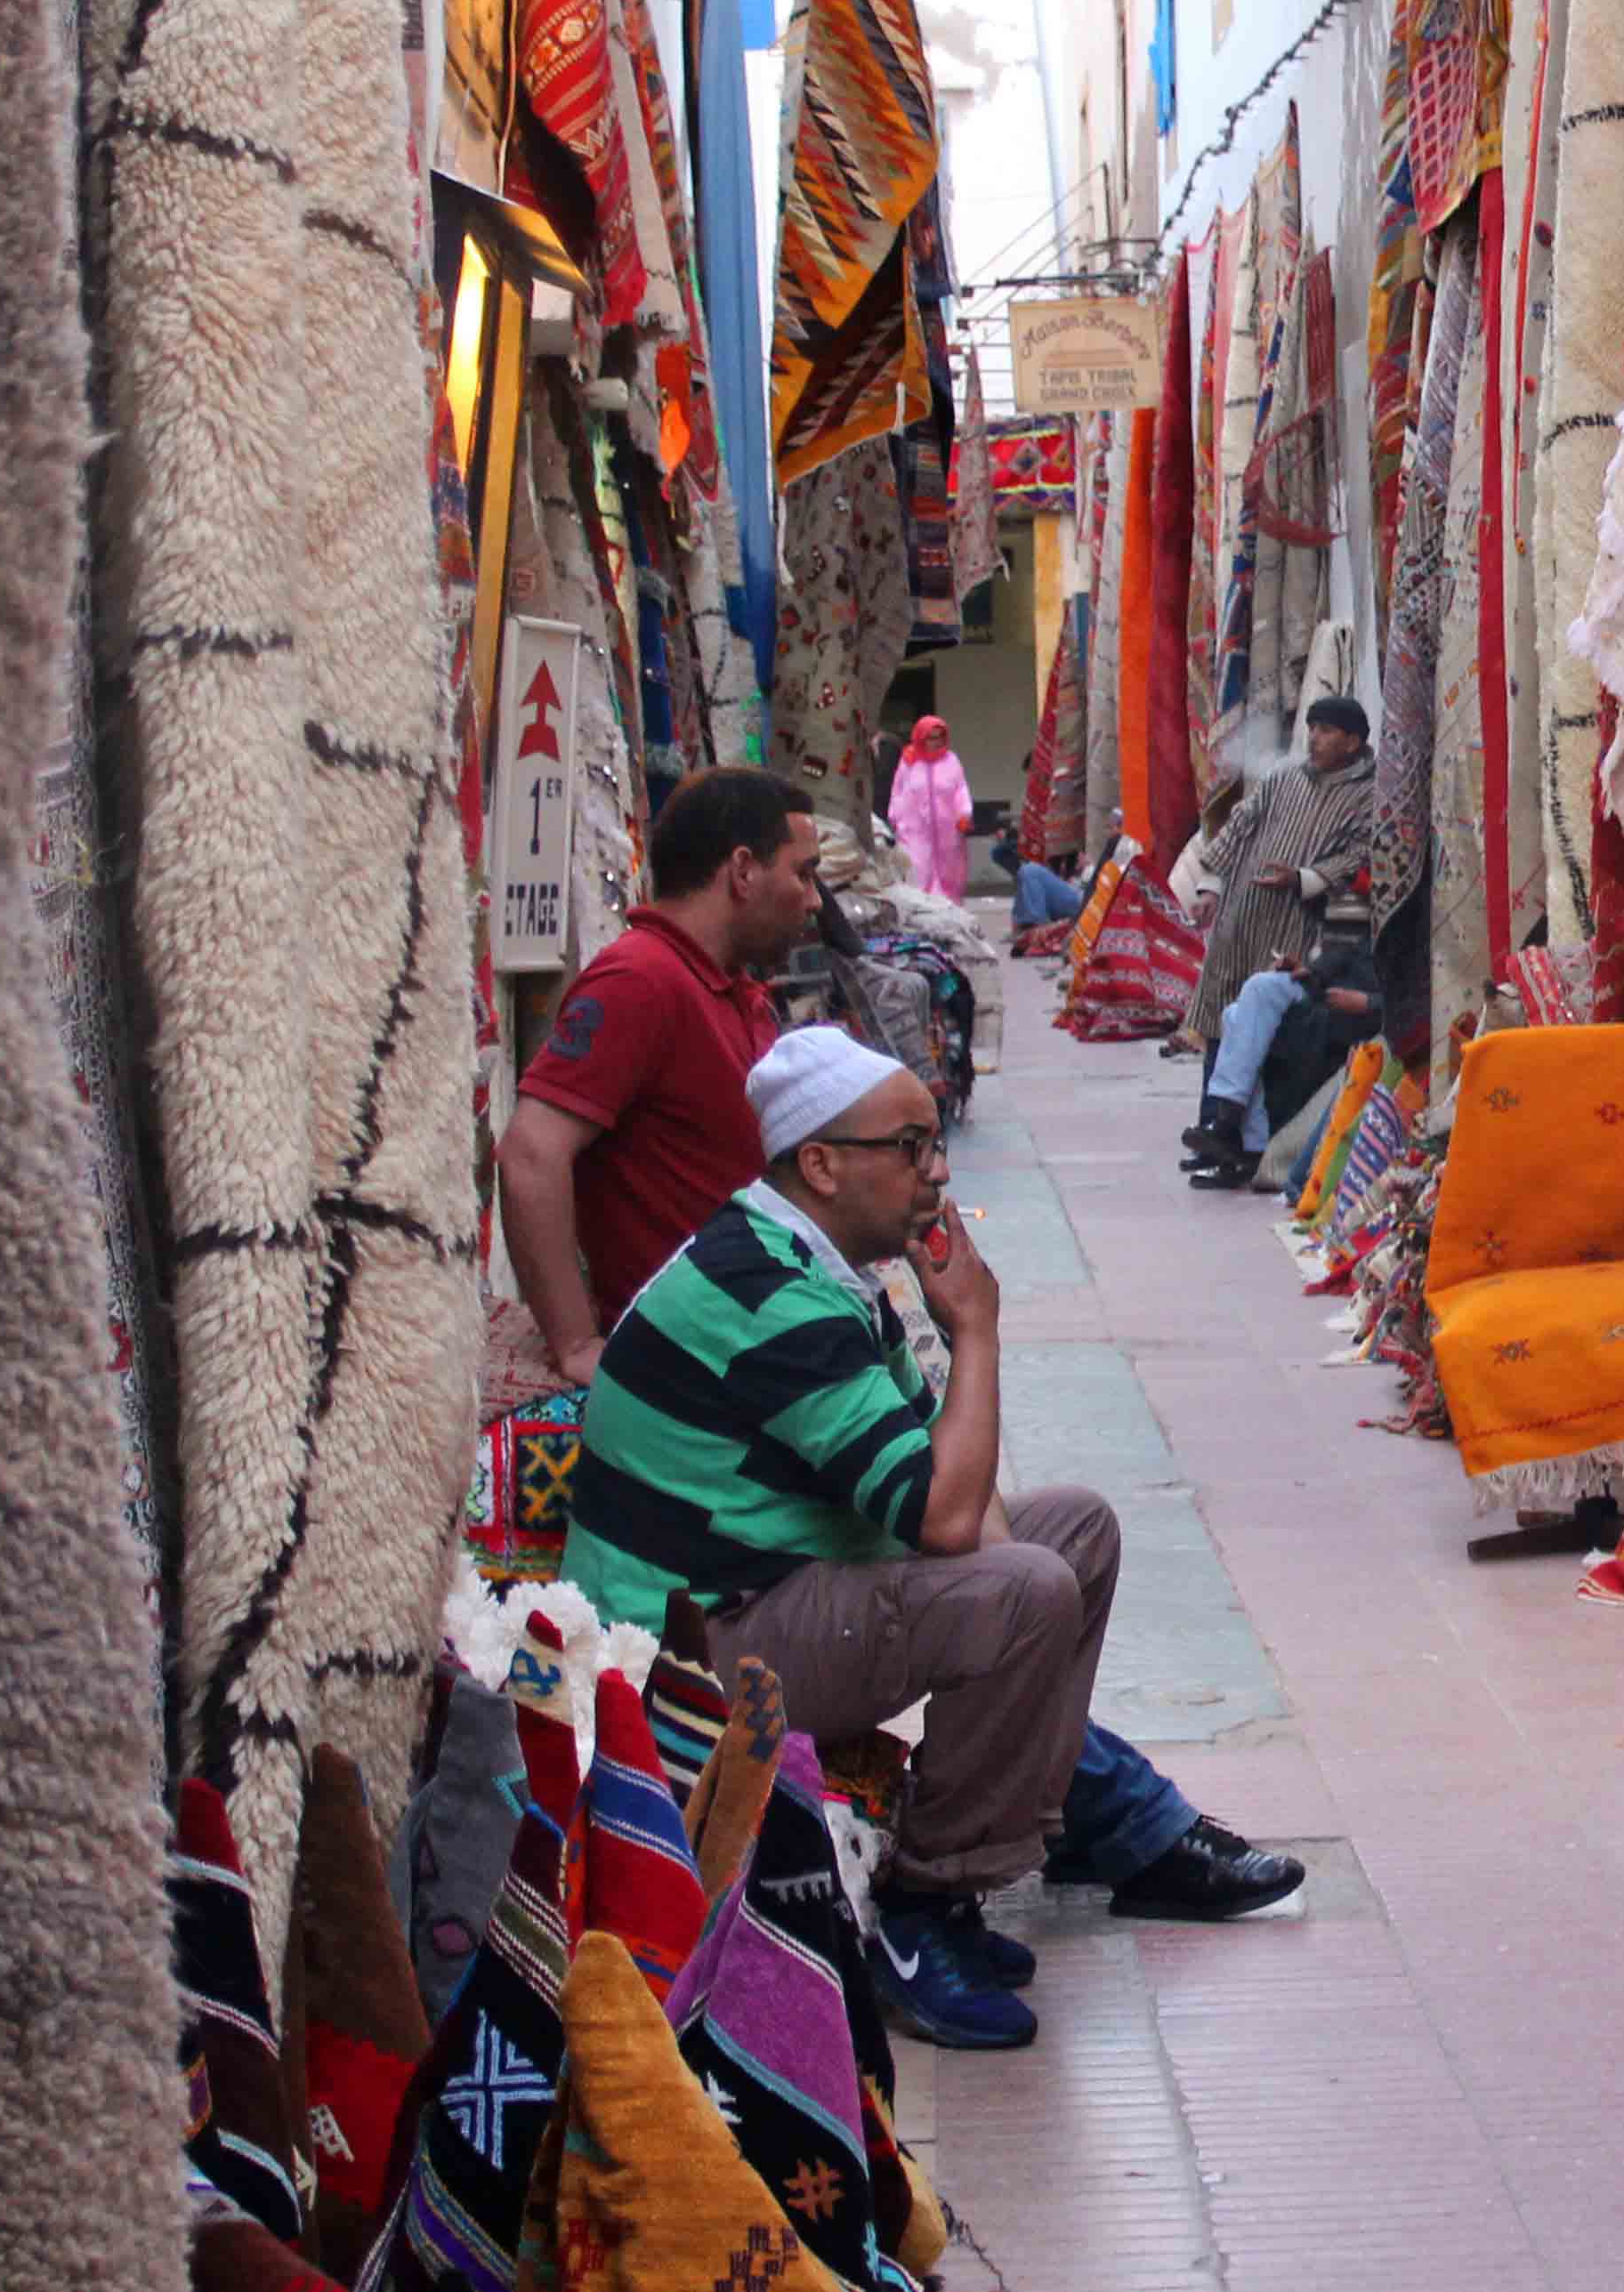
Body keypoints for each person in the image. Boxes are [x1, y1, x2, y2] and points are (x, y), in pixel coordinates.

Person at [565, 1028, 1306, 2052]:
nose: (939, 1171)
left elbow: (968, 1522)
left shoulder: (820, 1267)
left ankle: (1061, 1820)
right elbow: (949, 1523)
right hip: (686, 1647)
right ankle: (924, 1905)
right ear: (822, 1165)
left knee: (1072, 1535)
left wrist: (1006, 1604)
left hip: (774, 1586)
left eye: (935, 1143)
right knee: (1029, 1590)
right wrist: (975, 1328)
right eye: (910, 1147)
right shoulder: (768, 1294)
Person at [496, 768, 825, 1390]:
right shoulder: (640, 980)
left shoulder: (730, 989)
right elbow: (530, 1154)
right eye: (803, 874)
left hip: (758, 1337)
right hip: (703, 1363)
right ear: (743, 870)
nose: (814, 901)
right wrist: (575, 1342)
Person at [1183, 695, 1383, 1048]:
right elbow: (1240, 823)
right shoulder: (1284, 775)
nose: (1313, 738)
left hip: (1300, 924)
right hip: (1242, 913)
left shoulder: (1370, 793)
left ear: (1353, 742)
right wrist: (1211, 886)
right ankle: (1217, 1085)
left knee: (1273, 1027)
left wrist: (1302, 879)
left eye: (1325, 730)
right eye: (1311, 728)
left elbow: (1360, 852)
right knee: (1222, 1019)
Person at [1184, 889, 1386, 1186]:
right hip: (1329, 990)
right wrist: (1308, 971)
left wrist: (1367, 1003)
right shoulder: (1372, 920)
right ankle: (1231, 1119)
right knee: (1248, 1001)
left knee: (1245, 1020)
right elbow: (1346, 957)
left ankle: (1238, 1135)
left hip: (1364, 1011)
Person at [887, 712, 975, 896]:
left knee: (950, 875)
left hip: (948, 832)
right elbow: (898, 791)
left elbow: (960, 789)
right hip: (914, 831)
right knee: (917, 871)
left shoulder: (951, 761)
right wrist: (894, 817)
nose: (936, 742)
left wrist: (964, 814)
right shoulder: (909, 761)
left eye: (940, 737)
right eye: (931, 738)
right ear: (921, 738)